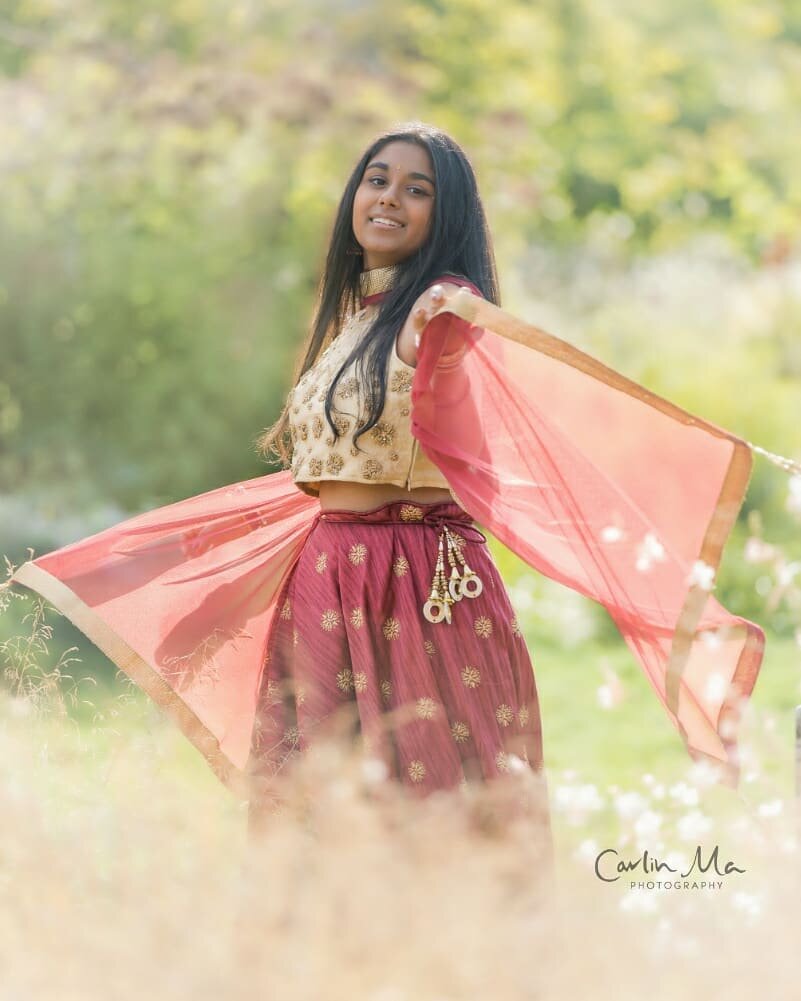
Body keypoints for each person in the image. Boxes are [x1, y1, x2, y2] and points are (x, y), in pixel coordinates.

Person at [6, 122, 765, 861]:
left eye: (416, 189)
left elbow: (491, 379)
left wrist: (452, 306)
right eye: (376, 180)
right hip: (329, 578)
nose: (388, 198)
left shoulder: (440, 311)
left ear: (449, 215)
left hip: (416, 585)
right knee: (321, 800)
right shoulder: (356, 318)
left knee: (424, 798)